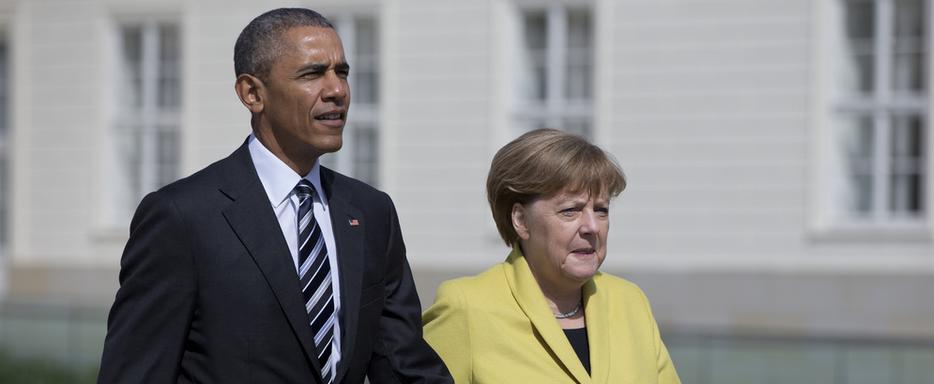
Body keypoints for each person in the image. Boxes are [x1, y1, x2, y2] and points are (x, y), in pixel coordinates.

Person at [98, 8, 452, 384]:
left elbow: (403, 365)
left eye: (342, 72)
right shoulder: (182, 217)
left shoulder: (370, 211)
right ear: (252, 93)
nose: (337, 90)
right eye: (312, 73)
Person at [423, 128, 681, 383]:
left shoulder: (630, 302)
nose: (592, 226)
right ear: (521, 220)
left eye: (601, 210)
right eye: (570, 210)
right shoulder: (467, 307)